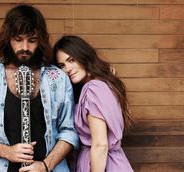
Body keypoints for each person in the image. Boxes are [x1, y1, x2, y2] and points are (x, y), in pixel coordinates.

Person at [0, 5, 79, 172]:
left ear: (40, 40)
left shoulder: (57, 79)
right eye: (18, 39)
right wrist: (7, 151)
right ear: (7, 39)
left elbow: (69, 131)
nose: (25, 47)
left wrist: (45, 165)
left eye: (32, 40)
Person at [53, 35, 134, 172]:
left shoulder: (93, 89)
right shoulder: (104, 85)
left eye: (71, 60)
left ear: (83, 56)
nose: (68, 69)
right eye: (62, 65)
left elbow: (100, 144)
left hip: (102, 164)